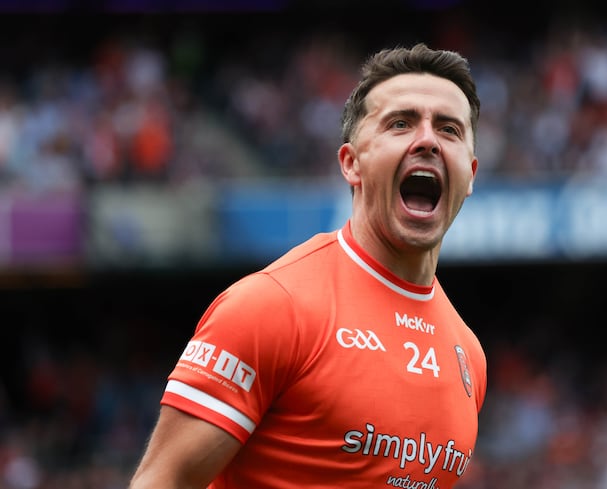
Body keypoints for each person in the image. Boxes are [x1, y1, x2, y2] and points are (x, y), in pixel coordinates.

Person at [128, 42, 486, 489]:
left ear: (470, 173)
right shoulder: (271, 306)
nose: (429, 140)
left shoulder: (469, 355)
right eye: (401, 123)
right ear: (351, 164)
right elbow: (163, 481)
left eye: (449, 129)